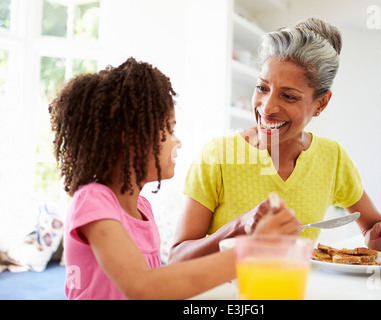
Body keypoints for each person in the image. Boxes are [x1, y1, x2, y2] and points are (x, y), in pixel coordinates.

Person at [49, 57, 302, 300]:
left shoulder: (142, 209)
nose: (177, 141)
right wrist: (253, 249)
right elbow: (143, 287)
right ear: (132, 140)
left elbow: (163, 284)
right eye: (169, 129)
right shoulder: (92, 200)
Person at [169, 18, 381, 264]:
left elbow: (371, 228)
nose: (267, 107)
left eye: (288, 96)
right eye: (262, 88)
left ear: (321, 103)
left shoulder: (332, 157)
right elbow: (177, 257)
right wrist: (239, 226)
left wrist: (378, 240)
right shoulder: (218, 155)